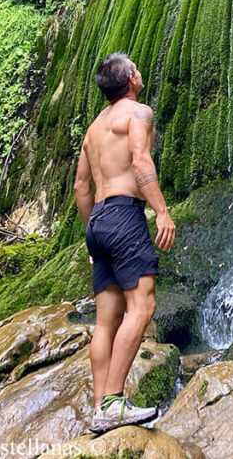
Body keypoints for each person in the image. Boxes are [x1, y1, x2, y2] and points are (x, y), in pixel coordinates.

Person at [74, 52, 177, 434]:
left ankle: (101, 407)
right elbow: (140, 161)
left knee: (107, 320)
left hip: (98, 219)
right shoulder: (138, 113)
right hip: (122, 213)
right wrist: (162, 212)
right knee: (143, 304)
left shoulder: (94, 129)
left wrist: (93, 235)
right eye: (137, 67)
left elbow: (81, 187)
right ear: (132, 77)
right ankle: (115, 402)